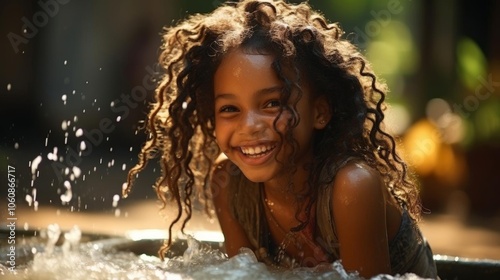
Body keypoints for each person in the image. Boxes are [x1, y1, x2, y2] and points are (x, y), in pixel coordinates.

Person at [123, 0, 438, 278]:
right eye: (230, 108)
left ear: (320, 112)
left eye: (272, 103)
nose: (249, 126)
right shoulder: (229, 182)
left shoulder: (352, 187)